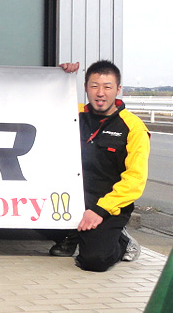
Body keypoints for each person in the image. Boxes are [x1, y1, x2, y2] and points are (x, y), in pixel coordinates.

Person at [49, 60, 149, 272]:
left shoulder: (133, 128)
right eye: (94, 86)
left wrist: (100, 210)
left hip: (108, 204)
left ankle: (122, 241)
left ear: (118, 89)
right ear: (85, 87)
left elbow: (135, 179)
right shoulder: (71, 112)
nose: (100, 93)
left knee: (95, 260)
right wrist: (60, 77)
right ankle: (73, 234)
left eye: (107, 87)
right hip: (71, 197)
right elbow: (37, 103)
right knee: (24, 217)